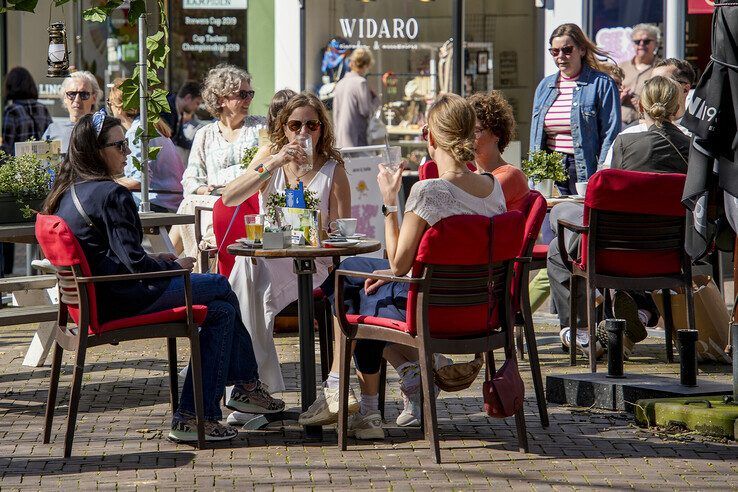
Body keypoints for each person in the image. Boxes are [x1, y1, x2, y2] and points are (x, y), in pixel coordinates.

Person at [41, 111, 284, 442]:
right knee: (219, 284)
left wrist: (157, 258)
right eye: (120, 145)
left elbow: (115, 257)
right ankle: (243, 387)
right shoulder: (111, 195)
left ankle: (194, 416)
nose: (128, 152)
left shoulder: (66, 194)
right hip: (122, 298)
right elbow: (134, 267)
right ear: (98, 151)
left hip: (94, 302)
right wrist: (174, 267)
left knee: (221, 312)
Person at [298, 93, 507, 439]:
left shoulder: (428, 191)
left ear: (432, 137)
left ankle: (354, 400)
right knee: (364, 284)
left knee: (350, 285)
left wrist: (389, 202)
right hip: (478, 310)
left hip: (428, 311)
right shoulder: (493, 188)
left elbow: (397, 263)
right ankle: (398, 384)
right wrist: (389, 273)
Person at [221, 92, 351, 414]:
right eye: (295, 125)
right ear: (284, 127)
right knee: (247, 269)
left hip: (312, 261)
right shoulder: (270, 156)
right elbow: (230, 197)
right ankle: (251, 385)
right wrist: (276, 162)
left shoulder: (333, 170)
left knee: (245, 276)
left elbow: (343, 233)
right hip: (271, 255)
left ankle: (249, 385)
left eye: (312, 125)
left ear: (322, 129)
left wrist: (320, 229)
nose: (303, 132)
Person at [548, 75, 688, 359]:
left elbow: (603, 193)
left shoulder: (624, 143)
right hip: (670, 254)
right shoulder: (692, 147)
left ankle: (579, 331)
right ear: (679, 106)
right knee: (563, 227)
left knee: (557, 237)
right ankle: (639, 312)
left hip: (615, 251)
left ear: (641, 105)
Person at [172, 64, 266, 261]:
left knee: (189, 207)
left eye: (251, 93)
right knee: (191, 203)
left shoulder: (261, 127)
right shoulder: (204, 134)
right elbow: (190, 179)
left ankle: (164, 267)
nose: (249, 99)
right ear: (221, 99)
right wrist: (205, 190)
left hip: (247, 202)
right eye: (242, 94)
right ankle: (168, 266)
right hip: (212, 202)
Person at [530, 23, 621, 195]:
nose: (560, 56)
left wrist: (602, 170)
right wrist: (534, 175)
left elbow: (610, 132)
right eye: (554, 51)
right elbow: (536, 136)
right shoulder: (545, 86)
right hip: (549, 165)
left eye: (567, 50)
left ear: (582, 50)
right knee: (549, 216)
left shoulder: (601, 84)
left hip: (583, 166)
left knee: (580, 217)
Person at [108, 78, 185, 213]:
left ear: (119, 108)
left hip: (158, 202)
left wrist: (107, 182)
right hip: (173, 200)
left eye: (110, 103)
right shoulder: (151, 125)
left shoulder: (137, 132)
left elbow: (140, 181)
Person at [602, 58, 696, 167]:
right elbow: (607, 174)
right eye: (650, 82)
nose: (654, 88)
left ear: (685, 89)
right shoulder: (628, 134)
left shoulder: (697, 135)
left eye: (663, 82)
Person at [467, 90, 529, 211]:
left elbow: (472, 208)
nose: (469, 138)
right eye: (466, 132)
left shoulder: (510, 175)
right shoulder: (474, 177)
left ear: (496, 134)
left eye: (476, 131)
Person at [42, 71, 101, 153]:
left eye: (84, 94)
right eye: (72, 94)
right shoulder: (53, 130)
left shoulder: (102, 130)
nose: (77, 100)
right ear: (65, 98)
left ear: (94, 98)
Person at [332, 48, 380, 148]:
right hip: (356, 138)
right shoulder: (361, 83)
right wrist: (375, 99)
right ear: (367, 65)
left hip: (340, 138)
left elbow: (336, 112)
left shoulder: (340, 84)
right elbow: (366, 111)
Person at [1, 67, 52, 156]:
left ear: (10, 86)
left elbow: (7, 147)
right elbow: (50, 136)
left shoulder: (12, 111)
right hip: (42, 164)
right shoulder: (42, 108)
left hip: (20, 165)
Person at [618, 23, 662, 126]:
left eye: (646, 41)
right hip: (620, 123)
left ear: (656, 44)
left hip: (645, 124)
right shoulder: (621, 67)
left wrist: (643, 103)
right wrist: (620, 97)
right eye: (637, 42)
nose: (641, 44)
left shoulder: (660, 69)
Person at [162, 80, 203, 154]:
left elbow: (180, 139)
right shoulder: (165, 109)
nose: (197, 108)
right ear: (188, 98)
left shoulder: (177, 110)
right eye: (197, 103)